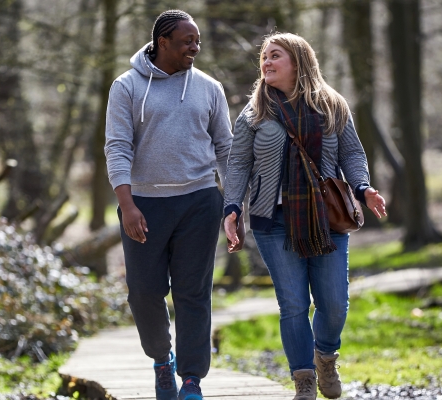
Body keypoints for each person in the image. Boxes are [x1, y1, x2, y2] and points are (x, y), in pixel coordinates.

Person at [223, 32, 387, 400]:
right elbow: (238, 166)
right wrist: (232, 208)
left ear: (298, 62)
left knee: (333, 303)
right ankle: (304, 382)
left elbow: (352, 155)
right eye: (263, 56)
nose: (266, 62)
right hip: (272, 220)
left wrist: (363, 188)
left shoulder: (332, 106)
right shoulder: (254, 114)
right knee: (293, 304)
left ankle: (325, 356)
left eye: (274, 55)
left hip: (326, 218)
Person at [104, 10, 232, 400]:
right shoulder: (126, 87)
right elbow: (117, 146)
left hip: (199, 201)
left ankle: (192, 379)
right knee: (143, 291)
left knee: (193, 293)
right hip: (144, 204)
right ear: (162, 42)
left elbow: (226, 148)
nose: (195, 46)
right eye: (186, 41)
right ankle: (162, 361)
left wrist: (234, 205)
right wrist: (126, 204)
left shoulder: (209, 87)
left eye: (197, 41)